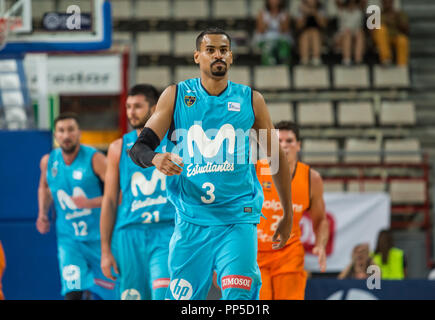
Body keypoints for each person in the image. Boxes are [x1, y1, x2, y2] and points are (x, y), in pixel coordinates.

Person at [129, 27, 293, 300]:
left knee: (238, 299)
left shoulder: (251, 99)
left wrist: (287, 213)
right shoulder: (176, 95)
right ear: (197, 57)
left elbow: (277, 158)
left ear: (231, 57)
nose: (218, 55)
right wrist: (156, 158)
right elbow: (139, 148)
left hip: (237, 218)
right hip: (191, 220)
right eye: (210, 50)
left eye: (224, 50)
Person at [100, 84, 176, 300]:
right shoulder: (117, 148)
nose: (131, 112)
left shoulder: (174, 142)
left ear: (154, 109)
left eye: (137, 106)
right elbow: (110, 201)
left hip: (166, 231)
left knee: (162, 294)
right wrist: (105, 251)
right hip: (129, 234)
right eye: (128, 107)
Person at [36, 113, 115, 300]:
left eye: (71, 130)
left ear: (79, 133)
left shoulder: (95, 159)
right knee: (72, 293)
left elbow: (118, 195)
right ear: (55, 135)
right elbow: (45, 186)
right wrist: (42, 214)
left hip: (101, 241)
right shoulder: (48, 161)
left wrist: (90, 203)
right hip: (69, 240)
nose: (66, 135)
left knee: (112, 294)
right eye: (61, 131)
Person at [256, 120, 329, 300]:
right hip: (256, 253)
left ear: (298, 145)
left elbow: (321, 220)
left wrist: (320, 244)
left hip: (288, 253)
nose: (284, 146)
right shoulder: (256, 170)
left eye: (289, 141)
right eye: (279, 141)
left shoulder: (312, 179)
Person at [254, 0, 292, 65]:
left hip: (281, 40)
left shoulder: (284, 13)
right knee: (268, 49)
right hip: (265, 40)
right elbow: (260, 30)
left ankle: (285, 69)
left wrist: (278, 19)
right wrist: (268, 22)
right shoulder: (262, 13)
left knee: (283, 50)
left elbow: (285, 30)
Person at [371, 0, 409, 66]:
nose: (387, 3)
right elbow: (371, 31)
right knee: (381, 29)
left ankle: (402, 65)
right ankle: (386, 59)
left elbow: (406, 29)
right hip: (382, 39)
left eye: (389, 1)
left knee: (402, 40)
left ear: (392, 2)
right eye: (385, 2)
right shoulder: (376, 15)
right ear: (382, 3)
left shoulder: (399, 14)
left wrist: (398, 19)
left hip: (395, 37)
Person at [296, 0, 327, 66]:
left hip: (318, 34)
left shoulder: (321, 8)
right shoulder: (301, 8)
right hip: (305, 34)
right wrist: (305, 15)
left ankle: (316, 59)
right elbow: (298, 26)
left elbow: (324, 24)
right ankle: (304, 59)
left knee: (314, 32)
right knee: (306, 34)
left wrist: (314, 13)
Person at [335, 0, 365, 65]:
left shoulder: (359, 10)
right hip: (342, 35)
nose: (351, 4)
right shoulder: (341, 9)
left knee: (360, 34)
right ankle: (346, 59)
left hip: (355, 35)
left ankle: (358, 60)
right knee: (347, 34)